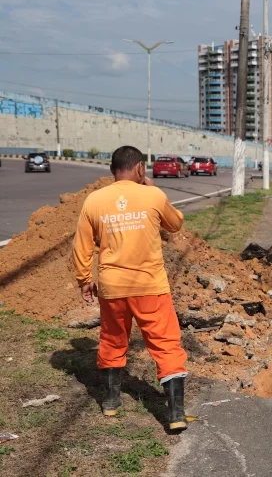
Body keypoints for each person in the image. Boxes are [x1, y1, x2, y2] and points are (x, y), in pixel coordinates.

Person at [72, 145, 189, 430]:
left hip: (113, 289)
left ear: (113, 170)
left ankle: (111, 403)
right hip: (151, 287)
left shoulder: (94, 200)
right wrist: (151, 187)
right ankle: (175, 415)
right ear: (139, 169)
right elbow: (175, 224)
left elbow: (82, 246)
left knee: (113, 340)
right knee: (165, 344)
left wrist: (85, 279)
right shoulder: (152, 195)